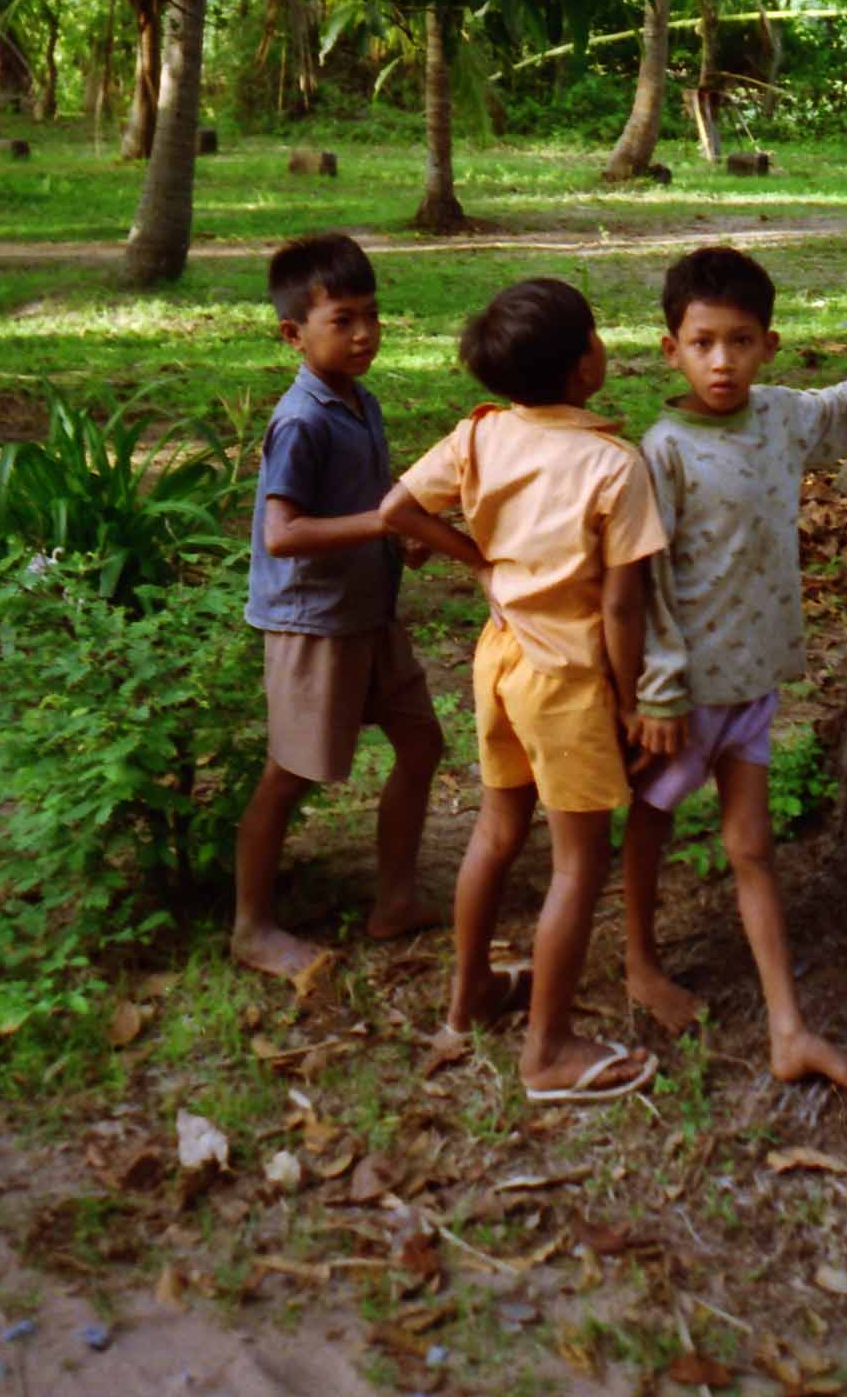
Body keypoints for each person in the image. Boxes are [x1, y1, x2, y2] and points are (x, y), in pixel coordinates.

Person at [625, 245, 847, 1095]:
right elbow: (644, 574)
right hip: (685, 694)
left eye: (739, 342)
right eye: (701, 343)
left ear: (768, 345)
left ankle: (788, 1029)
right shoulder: (660, 449)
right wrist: (657, 687)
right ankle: (637, 961)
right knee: (649, 829)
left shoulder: (779, 416)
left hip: (754, 682)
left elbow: (844, 408)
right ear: (671, 349)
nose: (721, 362)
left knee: (752, 850)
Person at [378, 279, 667, 1103]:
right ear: (584, 367)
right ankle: (546, 1051)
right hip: (567, 678)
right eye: (596, 335)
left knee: (496, 831)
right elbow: (620, 602)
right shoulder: (615, 466)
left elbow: (396, 508)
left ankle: (465, 1005)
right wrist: (630, 697)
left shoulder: (482, 434)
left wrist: (478, 560)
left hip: (497, 663)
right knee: (580, 861)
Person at [235, 233, 443, 979]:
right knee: (290, 776)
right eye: (344, 320)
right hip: (313, 623)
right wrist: (386, 524)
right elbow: (283, 533)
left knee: (422, 745)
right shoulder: (301, 420)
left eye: (373, 318)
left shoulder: (362, 402)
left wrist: (399, 543)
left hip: (371, 612)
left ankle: (394, 901)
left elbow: (365, 506)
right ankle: (252, 927)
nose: (364, 335)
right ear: (293, 333)